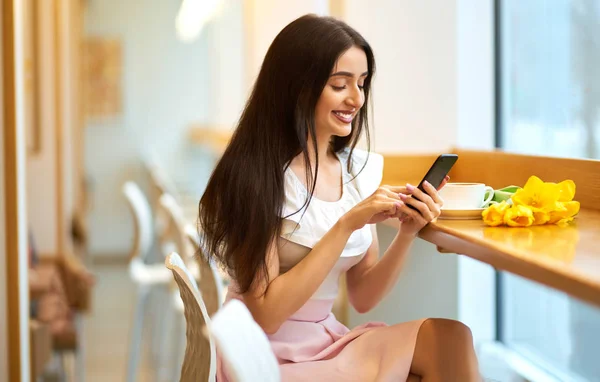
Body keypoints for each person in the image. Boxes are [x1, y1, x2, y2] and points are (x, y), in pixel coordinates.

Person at [199, 14, 481, 381]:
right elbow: (267, 315)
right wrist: (347, 223)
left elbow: (363, 296)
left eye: (362, 84)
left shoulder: (356, 171)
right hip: (266, 356)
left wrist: (406, 233)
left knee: (451, 337)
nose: (356, 98)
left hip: (326, 341)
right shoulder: (254, 177)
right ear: (297, 86)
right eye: (340, 84)